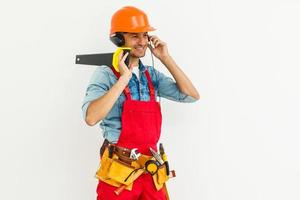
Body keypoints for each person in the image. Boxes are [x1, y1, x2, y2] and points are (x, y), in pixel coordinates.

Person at [82, 6, 200, 200]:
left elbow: (191, 95)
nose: (143, 42)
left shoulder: (150, 75)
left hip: (151, 170)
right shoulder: (105, 74)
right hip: (120, 171)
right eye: (135, 36)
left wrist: (165, 58)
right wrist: (123, 79)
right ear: (119, 39)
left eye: (145, 35)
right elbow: (91, 117)